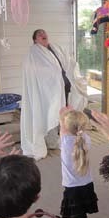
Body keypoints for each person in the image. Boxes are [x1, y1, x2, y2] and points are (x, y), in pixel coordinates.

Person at [21, 29, 88, 160]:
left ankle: (60, 138)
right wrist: (53, 75)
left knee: (64, 113)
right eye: (39, 34)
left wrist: (71, 72)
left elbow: (68, 62)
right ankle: (51, 140)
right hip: (46, 92)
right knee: (50, 113)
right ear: (35, 40)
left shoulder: (55, 48)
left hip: (64, 88)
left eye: (44, 33)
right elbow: (34, 72)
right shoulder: (33, 54)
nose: (43, 35)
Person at [59, 107, 98, 218]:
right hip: (87, 183)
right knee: (82, 211)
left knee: (78, 213)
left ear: (66, 127)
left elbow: (62, 129)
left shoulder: (65, 142)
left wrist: (62, 116)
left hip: (72, 186)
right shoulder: (86, 139)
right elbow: (67, 129)